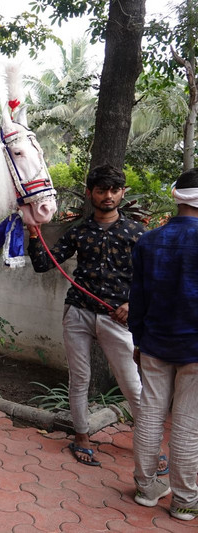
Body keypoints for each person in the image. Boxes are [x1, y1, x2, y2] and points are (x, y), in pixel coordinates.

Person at [27, 164, 166, 470]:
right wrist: (33, 234)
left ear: (122, 193)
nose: (108, 196)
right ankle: (82, 438)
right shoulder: (78, 231)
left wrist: (132, 303)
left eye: (114, 190)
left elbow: (154, 277)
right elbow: (42, 265)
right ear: (90, 194)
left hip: (117, 319)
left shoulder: (137, 234)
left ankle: (150, 448)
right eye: (101, 190)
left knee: (133, 386)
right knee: (79, 380)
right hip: (77, 311)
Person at [128, 169, 198, 520]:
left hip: (154, 343)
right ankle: (184, 501)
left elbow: (136, 299)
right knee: (188, 423)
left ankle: (146, 487)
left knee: (151, 413)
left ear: (177, 196)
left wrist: (139, 341)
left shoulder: (148, 240)